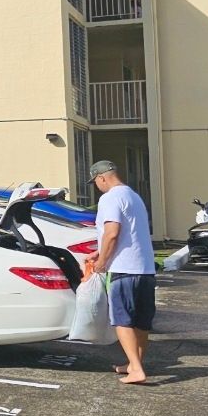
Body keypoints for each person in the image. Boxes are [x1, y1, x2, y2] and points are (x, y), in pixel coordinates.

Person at [85, 160, 156, 385]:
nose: (97, 186)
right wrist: (100, 251)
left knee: (122, 320)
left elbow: (112, 232)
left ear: (102, 178)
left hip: (123, 269)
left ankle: (136, 370)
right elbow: (130, 234)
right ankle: (135, 364)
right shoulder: (134, 196)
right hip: (145, 269)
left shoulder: (110, 198)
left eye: (96, 182)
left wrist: (102, 262)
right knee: (141, 322)